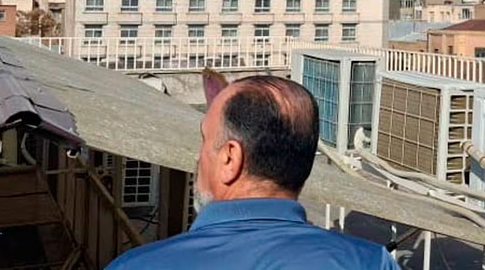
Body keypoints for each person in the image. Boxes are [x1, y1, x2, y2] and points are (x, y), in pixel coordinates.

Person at [107, 75, 400, 270]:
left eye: (204, 140)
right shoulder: (371, 263)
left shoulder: (136, 266)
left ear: (230, 158)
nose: (198, 157)